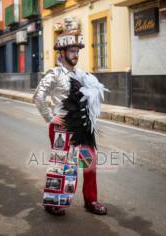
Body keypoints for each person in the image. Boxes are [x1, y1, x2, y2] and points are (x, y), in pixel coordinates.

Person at [33, 18, 108, 216]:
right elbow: (38, 95)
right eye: (72, 52)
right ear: (63, 53)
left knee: (89, 162)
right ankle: (54, 202)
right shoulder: (55, 73)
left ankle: (91, 201)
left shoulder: (81, 74)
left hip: (81, 128)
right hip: (62, 127)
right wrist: (50, 117)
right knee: (63, 166)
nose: (76, 55)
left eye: (77, 51)